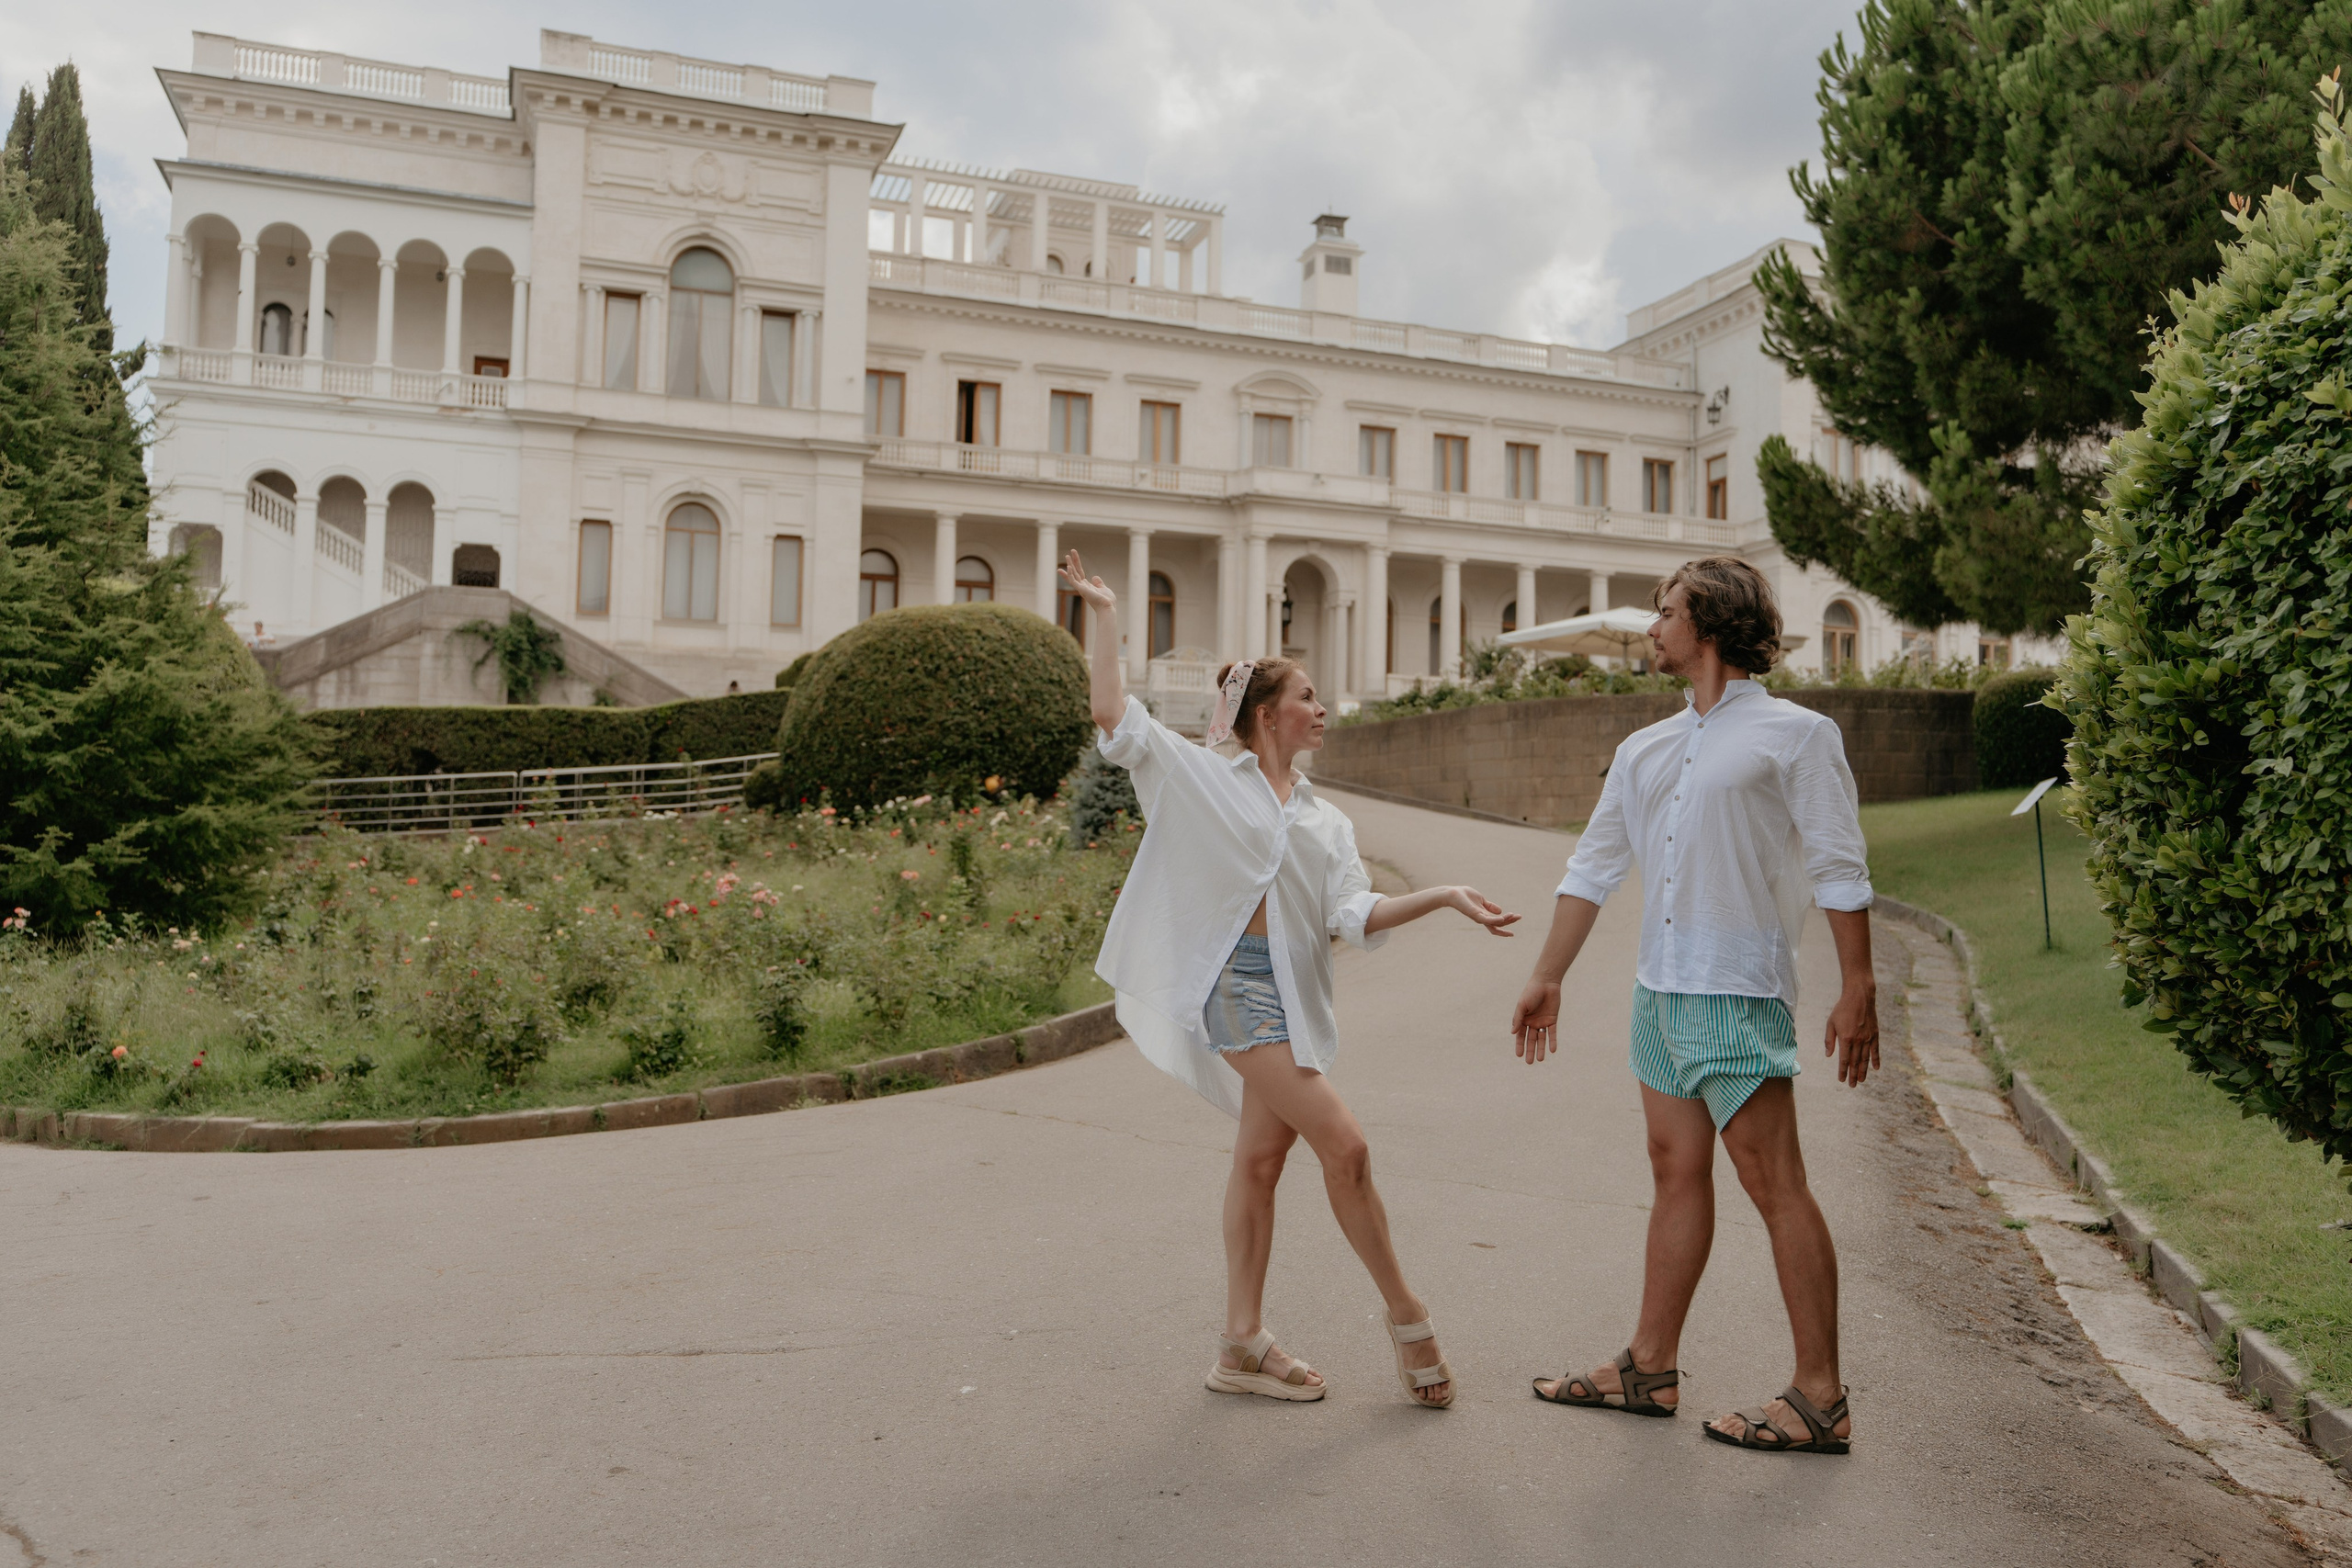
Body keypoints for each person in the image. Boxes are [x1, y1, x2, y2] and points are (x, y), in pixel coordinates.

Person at [1061, 548, 1519, 1408]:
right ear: (1267, 714)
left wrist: (1446, 894)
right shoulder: (1199, 778)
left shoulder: (1326, 818)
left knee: (1262, 1161)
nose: (1321, 708)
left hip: (1292, 997)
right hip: (1232, 987)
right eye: (1307, 696)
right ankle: (1407, 1316)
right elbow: (1115, 714)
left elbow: (1354, 915)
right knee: (1345, 1145)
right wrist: (1107, 613)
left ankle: (1240, 1343)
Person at [1510, 556, 1879, 1454]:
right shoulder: (1644, 749)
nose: (1651, 626)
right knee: (1673, 1171)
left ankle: (1819, 1396)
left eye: (1665, 610)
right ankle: (1648, 1366)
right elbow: (1593, 867)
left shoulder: (1794, 735)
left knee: (1773, 1183)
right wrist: (1548, 972)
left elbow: (1837, 864)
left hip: (1737, 991)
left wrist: (1859, 986)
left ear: (1709, 624)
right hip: (1659, 995)